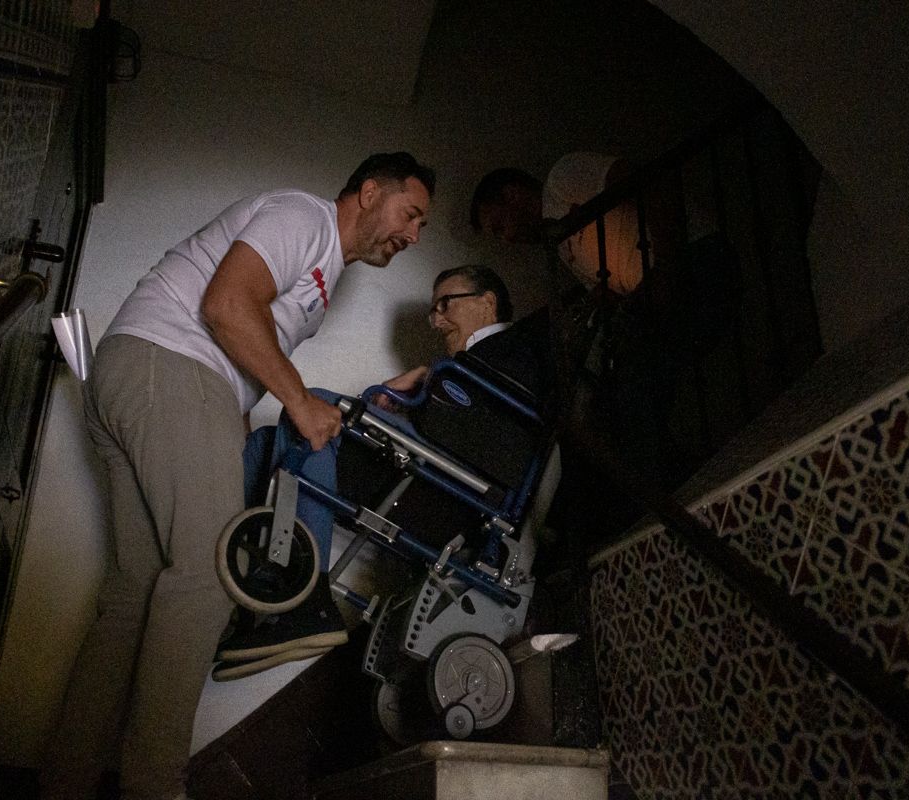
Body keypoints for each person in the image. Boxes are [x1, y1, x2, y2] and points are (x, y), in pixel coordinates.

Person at [42, 152, 435, 800]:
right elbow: (226, 306)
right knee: (206, 572)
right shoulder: (302, 216)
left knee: (134, 593)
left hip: (137, 375)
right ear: (368, 192)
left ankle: (64, 785)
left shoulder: (321, 274)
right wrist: (298, 400)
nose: (413, 234)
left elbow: (248, 340)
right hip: (169, 366)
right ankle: (155, 788)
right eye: (411, 213)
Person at [214, 266, 548, 680]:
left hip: (450, 501)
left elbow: (479, 442)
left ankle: (305, 599)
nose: (438, 319)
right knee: (266, 441)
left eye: (446, 303)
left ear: (487, 302)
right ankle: (238, 589)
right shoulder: (470, 364)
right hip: (430, 476)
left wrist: (429, 379)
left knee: (315, 407)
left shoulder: (514, 350)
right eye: (434, 310)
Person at [470, 153, 644, 295]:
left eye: (499, 227)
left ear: (511, 195)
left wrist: (664, 265)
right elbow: (604, 290)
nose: (507, 238)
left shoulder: (561, 180)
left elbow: (641, 179)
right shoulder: (558, 245)